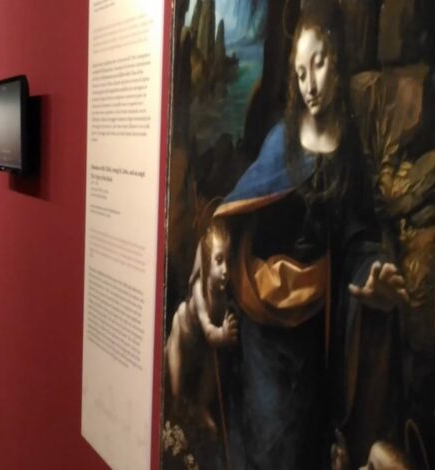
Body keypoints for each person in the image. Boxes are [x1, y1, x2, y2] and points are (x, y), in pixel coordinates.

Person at [212, 2, 407, 467]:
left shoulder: (348, 152)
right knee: (267, 438)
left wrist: (372, 271)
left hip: (315, 325)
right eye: (300, 73)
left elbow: (357, 237)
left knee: (304, 442)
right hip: (263, 320)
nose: (310, 84)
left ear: (335, 60)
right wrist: (222, 238)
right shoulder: (280, 139)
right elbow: (241, 210)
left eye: (317, 65)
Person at [165, 221, 238, 433]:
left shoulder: (222, 295)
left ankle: (202, 406)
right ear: (206, 262)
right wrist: (223, 334)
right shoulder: (199, 290)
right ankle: (176, 406)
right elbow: (208, 331)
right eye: (219, 261)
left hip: (203, 345)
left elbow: (214, 336)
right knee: (176, 388)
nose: (225, 270)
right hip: (184, 335)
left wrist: (226, 333)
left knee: (211, 363)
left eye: (228, 261)